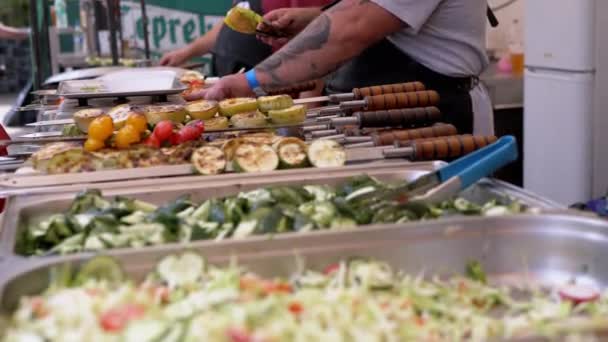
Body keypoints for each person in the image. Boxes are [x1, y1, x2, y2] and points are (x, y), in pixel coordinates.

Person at [192, 0, 494, 135]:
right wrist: (315, 18)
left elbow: (354, 27)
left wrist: (251, 82)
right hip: (382, 115)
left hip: (438, 120)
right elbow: (368, 10)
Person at [159, 0, 331, 77]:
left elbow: (317, 44)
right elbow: (230, 20)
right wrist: (186, 52)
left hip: (271, 91)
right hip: (232, 80)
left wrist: (309, 109)